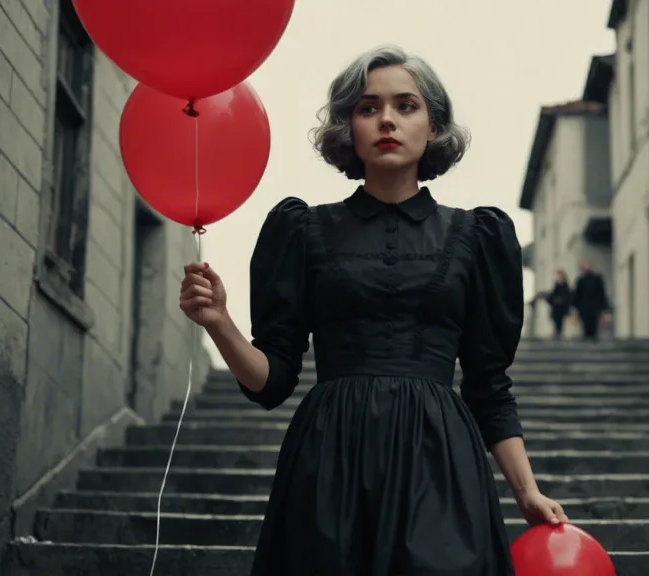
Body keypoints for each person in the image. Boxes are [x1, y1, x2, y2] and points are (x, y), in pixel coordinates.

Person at [179, 45, 567, 575]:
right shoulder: (303, 229)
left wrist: (526, 491)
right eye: (368, 108)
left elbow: (487, 385)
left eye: (406, 106)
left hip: (441, 460)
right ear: (349, 129)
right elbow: (270, 382)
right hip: (330, 459)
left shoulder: (477, 236)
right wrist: (221, 324)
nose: (387, 119)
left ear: (433, 127)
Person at [571, 260, 611, 341]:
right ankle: (589, 340)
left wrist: (605, 309)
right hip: (584, 307)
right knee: (586, 326)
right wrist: (574, 310)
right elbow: (577, 296)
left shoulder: (597, 279)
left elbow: (601, 294)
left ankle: (592, 340)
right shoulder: (581, 280)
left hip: (594, 307)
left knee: (593, 326)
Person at [545, 270, 573, 340]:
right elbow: (552, 296)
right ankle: (557, 335)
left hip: (562, 308)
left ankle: (559, 335)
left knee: (560, 323)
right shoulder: (556, 286)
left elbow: (567, 297)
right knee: (556, 323)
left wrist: (560, 300)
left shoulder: (565, 286)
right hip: (556, 308)